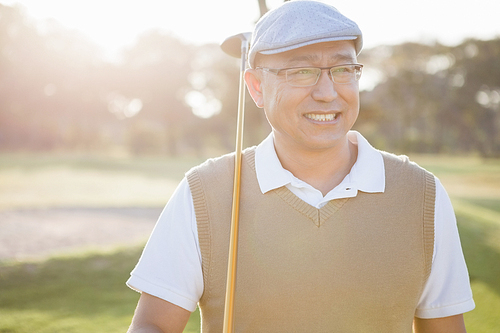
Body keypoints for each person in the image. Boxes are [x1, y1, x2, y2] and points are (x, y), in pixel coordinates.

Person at [126, 1, 475, 332]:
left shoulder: (422, 195)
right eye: (302, 71)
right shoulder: (203, 192)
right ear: (257, 87)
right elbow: (152, 325)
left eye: (342, 69)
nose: (327, 92)